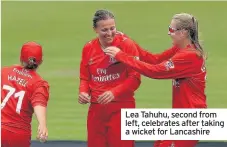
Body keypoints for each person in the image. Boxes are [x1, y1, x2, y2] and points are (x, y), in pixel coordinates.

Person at [104, 13, 207, 147]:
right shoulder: (180, 49)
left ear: (183, 33)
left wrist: (121, 56)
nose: (168, 33)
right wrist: (127, 41)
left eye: (171, 29)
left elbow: (155, 71)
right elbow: (154, 59)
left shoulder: (189, 56)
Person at [79, 9, 141, 147]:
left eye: (112, 28)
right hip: (96, 109)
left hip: (122, 107)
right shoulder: (88, 48)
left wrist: (114, 92)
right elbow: (85, 77)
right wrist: (83, 92)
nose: (109, 33)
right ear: (95, 29)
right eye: (104, 30)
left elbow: (135, 78)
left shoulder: (127, 45)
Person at [1, 42, 49, 147]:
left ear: (21, 58)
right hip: (18, 135)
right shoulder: (39, 83)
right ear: (41, 61)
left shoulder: (4, 72)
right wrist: (42, 124)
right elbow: (39, 103)